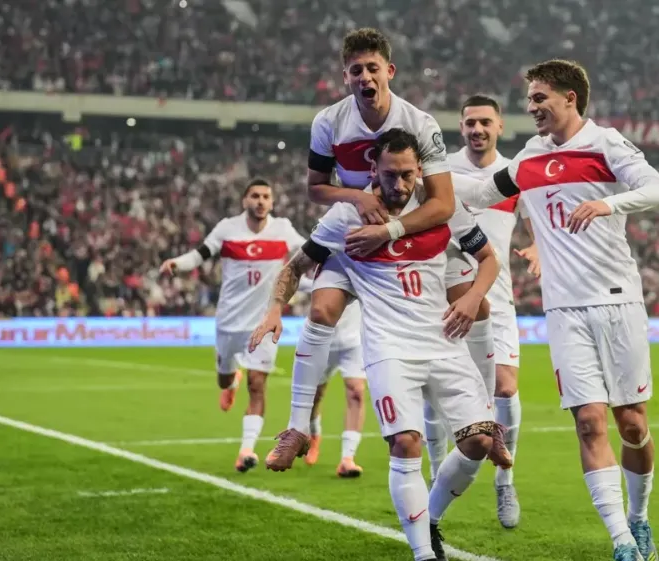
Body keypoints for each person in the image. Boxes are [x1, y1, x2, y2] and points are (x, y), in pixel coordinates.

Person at [250, 129, 509, 561]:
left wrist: (472, 296)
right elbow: (296, 266)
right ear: (373, 169)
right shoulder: (346, 216)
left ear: (420, 169)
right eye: (391, 174)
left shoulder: (441, 206)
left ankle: (430, 517)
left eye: (408, 174)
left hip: (443, 342)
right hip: (390, 349)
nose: (400, 184)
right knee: (405, 443)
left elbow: (489, 259)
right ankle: (423, 554)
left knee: (478, 444)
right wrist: (275, 308)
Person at [453, 59, 659, 561]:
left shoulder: (606, 144)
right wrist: (426, 175)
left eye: (539, 98)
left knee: (632, 424)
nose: (531, 107)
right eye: (529, 99)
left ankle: (639, 518)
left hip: (618, 301)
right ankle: (622, 542)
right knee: (589, 423)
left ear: (569, 97)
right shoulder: (529, 157)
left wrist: (608, 204)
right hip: (564, 310)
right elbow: (482, 192)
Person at [266, 27, 459, 469]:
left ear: (390, 71)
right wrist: (357, 197)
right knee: (320, 312)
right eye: (356, 70)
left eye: (373, 68)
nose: (365, 77)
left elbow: (443, 203)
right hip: (351, 233)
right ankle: (296, 428)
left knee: (466, 310)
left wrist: (389, 230)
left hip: (406, 237)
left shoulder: (420, 124)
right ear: (345, 76)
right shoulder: (328, 122)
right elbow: (316, 188)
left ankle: (483, 413)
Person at [158, 179, 307, 473]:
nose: (260, 201)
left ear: (272, 203)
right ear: (244, 201)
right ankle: (231, 381)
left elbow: (309, 250)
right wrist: (177, 263)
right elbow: (200, 254)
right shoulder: (227, 228)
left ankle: (246, 450)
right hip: (229, 321)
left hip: (264, 322)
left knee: (258, 384)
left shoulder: (283, 229)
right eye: (255, 196)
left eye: (266, 196)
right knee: (224, 381)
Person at [430, 94, 526, 528]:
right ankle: (436, 475)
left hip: (497, 298)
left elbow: (539, 222)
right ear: (461, 126)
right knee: (436, 395)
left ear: (500, 126)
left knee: (505, 387)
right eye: (470, 122)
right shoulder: (441, 170)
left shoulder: (515, 174)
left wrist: (538, 248)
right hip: (445, 294)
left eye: (485, 122)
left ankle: (505, 480)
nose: (477, 129)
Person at [301, 325, 367, 478]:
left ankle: (347, 458)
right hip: (321, 340)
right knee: (314, 395)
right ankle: (313, 435)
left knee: (356, 392)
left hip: (354, 340)